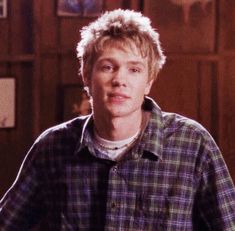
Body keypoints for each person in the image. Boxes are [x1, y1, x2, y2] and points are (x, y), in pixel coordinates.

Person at [0, 9, 235, 231]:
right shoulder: (52, 148)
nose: (119, 80)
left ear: (149, 81)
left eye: (134, 70)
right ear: (86, 74)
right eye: (108, 66)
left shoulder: (193, 144)